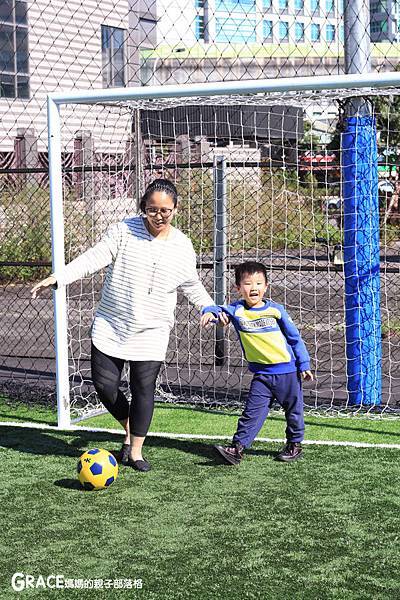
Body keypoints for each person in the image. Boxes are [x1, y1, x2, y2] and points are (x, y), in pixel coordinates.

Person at [31, 178, 217, 472]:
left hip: (153, 329)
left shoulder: (182, 245)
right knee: (104, 386)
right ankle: (130, 429)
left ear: (176, 210)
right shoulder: (123, 230)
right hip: (112, 323)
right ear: (143, 207)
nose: (158, 216)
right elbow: (94, 257)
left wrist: (207, 306)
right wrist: (60, 277)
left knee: (144, 387)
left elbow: (191, 283)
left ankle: (136, 451)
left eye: (165, 210)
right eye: (152, 209)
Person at [201, 261, 313, 465]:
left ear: (266, 286)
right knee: (252, 412)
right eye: (247, 283)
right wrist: (209, 313)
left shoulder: (276, 311)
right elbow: (217, 311)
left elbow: (295, 338)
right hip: (261, 376)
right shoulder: (235, 311)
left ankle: (294, 444)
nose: (253, 288)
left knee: (293, 411)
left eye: (259, 283)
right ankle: (237, 449)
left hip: (287, 372)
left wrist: (304, 364)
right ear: (238, 288)